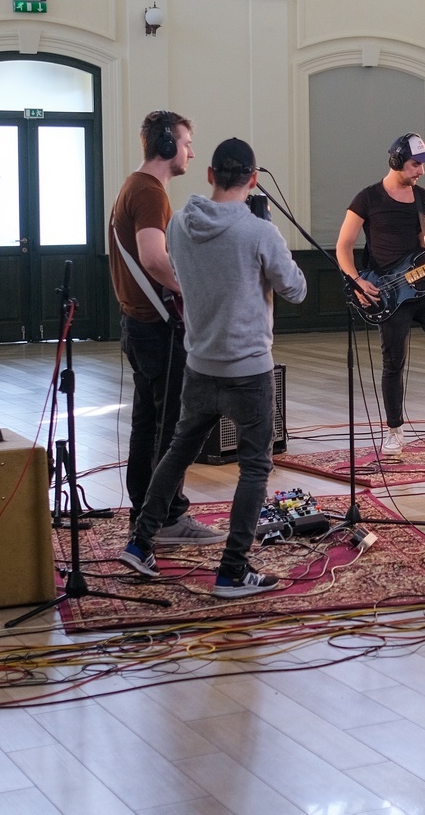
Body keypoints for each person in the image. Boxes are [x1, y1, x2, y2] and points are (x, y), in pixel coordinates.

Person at [119, 139, 308, 596]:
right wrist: (268, 234)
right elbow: (297, 290)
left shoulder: (179, 224)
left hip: (199, 363)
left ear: (209, 175)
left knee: (178, 451)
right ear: (254, 180)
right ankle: (233, 570)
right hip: (248, 370)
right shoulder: (259, 232)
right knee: (255, 468)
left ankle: (141, 542)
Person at [109, 110, 223, 545]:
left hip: (139, 326)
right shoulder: (149, 192)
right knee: (172, 428)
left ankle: (146, 512)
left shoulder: (134, 186)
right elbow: (153, 257)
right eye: (186, 142)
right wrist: (193, 289)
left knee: (149, 424)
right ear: (166, 144)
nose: (191, 152)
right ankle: (167, 519)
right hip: (157, 330)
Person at [336, 133, 425, 456]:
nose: (421, 171)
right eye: (416, 164)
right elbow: (343, 246)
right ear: (396, 161)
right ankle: (394, 432)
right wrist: (357, 281)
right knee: (393, 362)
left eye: (423, 165)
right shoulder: (367, 199)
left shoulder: (424, 198)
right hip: (389, 292)